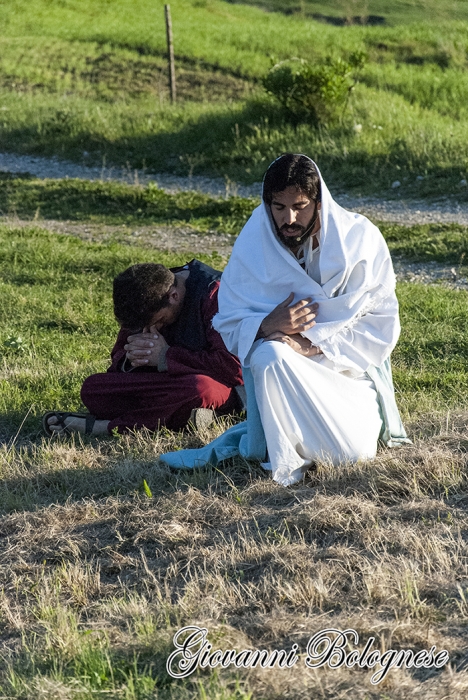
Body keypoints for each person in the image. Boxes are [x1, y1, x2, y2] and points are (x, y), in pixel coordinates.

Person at [161, 154, 409, 485]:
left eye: (300, 206)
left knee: (352, 455)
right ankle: (285, 459)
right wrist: (269, 325)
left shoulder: (359, 240)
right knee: (267, 354)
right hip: (285, 372)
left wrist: (310, 345)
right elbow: (229, 320)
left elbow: (380, 322)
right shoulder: (254, 241)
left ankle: (325, 437)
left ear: (319, 202)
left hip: (346, 373)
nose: (288, 218)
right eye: (278, 207)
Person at [43, 259, 243, 436]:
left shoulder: (215, 295)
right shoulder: (143, 297)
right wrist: (133, 356)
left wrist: (166, 357)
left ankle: (107, 427)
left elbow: (234, 368)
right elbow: (118, 360)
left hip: (218, 386)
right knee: (93, 389)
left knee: (199, 389)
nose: (153, 329)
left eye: (160, 321)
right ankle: (186, 416)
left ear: (173, 296)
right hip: (166, 384)